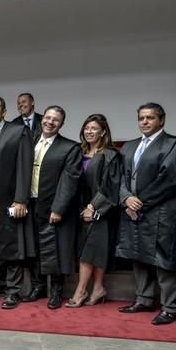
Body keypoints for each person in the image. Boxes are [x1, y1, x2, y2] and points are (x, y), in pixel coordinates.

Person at [116, 103, 176, 325]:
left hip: (162, 212)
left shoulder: (175, 144)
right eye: (141, 118)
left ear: (162, 120)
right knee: (138, 255)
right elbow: (118, 177)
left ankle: (170, 307)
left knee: (164, 259)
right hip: (133, 210)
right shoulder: (128, 147)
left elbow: (170, 180)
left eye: (150, 117)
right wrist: (126, 198)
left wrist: (139, 203)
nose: (145, 122)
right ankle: (144, 299)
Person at [23, 105, 82, 309]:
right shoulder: (28, 142)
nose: (50, 122)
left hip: (53, 206)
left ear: (61, 124)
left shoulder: (70, 148)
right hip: (29, 204)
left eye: (55, 120)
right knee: (34, 248)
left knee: (55, 249)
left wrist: (58, 208)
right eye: (47, 117)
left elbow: (70, 180)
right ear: (41, 119)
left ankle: (56, 292)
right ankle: (38, 287)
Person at [0, 96, 35, 309]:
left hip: (10, 198)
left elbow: (25, 166)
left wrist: (21, 199)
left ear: (4, 111)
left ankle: (13, 291)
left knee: (12, 245)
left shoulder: (18, 131)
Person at [66, 114, 122, 307]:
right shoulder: (79, 152)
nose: (89, 132)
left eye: (94, 128)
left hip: (100, 210)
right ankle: (98, 288)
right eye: (87, 128)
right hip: (79, 209)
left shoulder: (110, 155)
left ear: (103, 132)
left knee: (89, 251)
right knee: (95, 250)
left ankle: (80, 292)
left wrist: (93, 206)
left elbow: (111, 186)